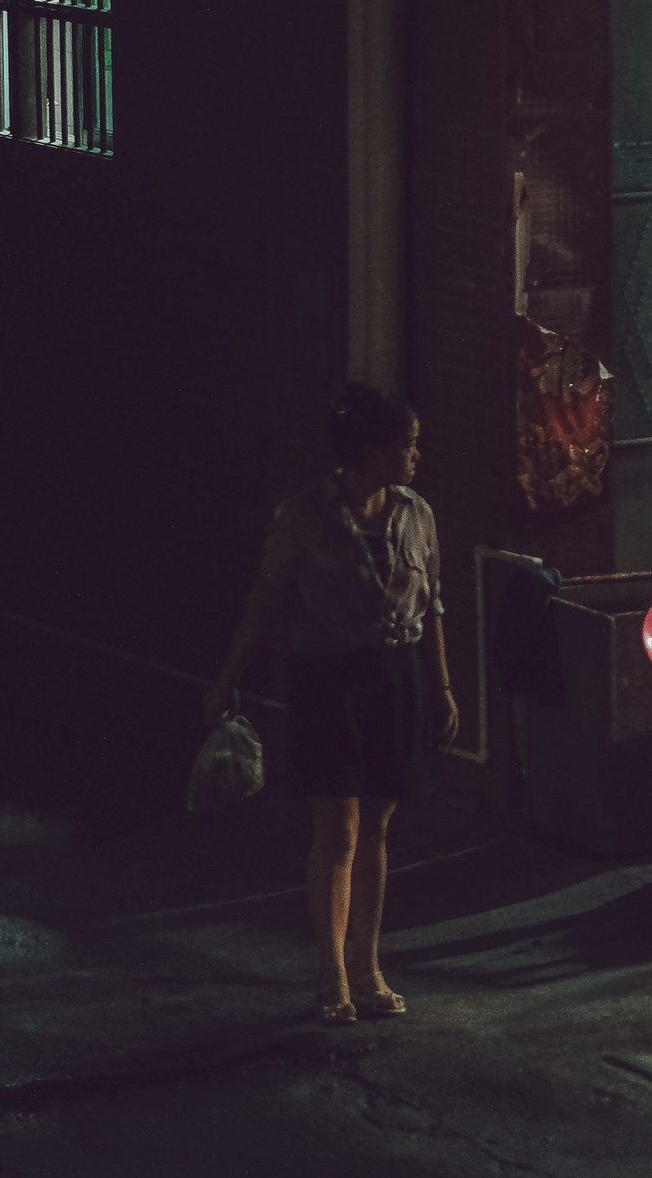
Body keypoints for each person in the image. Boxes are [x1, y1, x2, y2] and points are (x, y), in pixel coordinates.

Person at [203, 385, 459, 1025]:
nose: (416, 456)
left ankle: (368, 968)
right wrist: (225, 679)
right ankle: (331, 974)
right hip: (328, 678)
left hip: (394, 674)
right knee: (337, 829)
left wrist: (443, 687)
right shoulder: (303, 517)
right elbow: (263, 603)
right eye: (407, 445)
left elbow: (433, 609)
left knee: (375, 826)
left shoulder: (415, 515)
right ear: (371, 450)